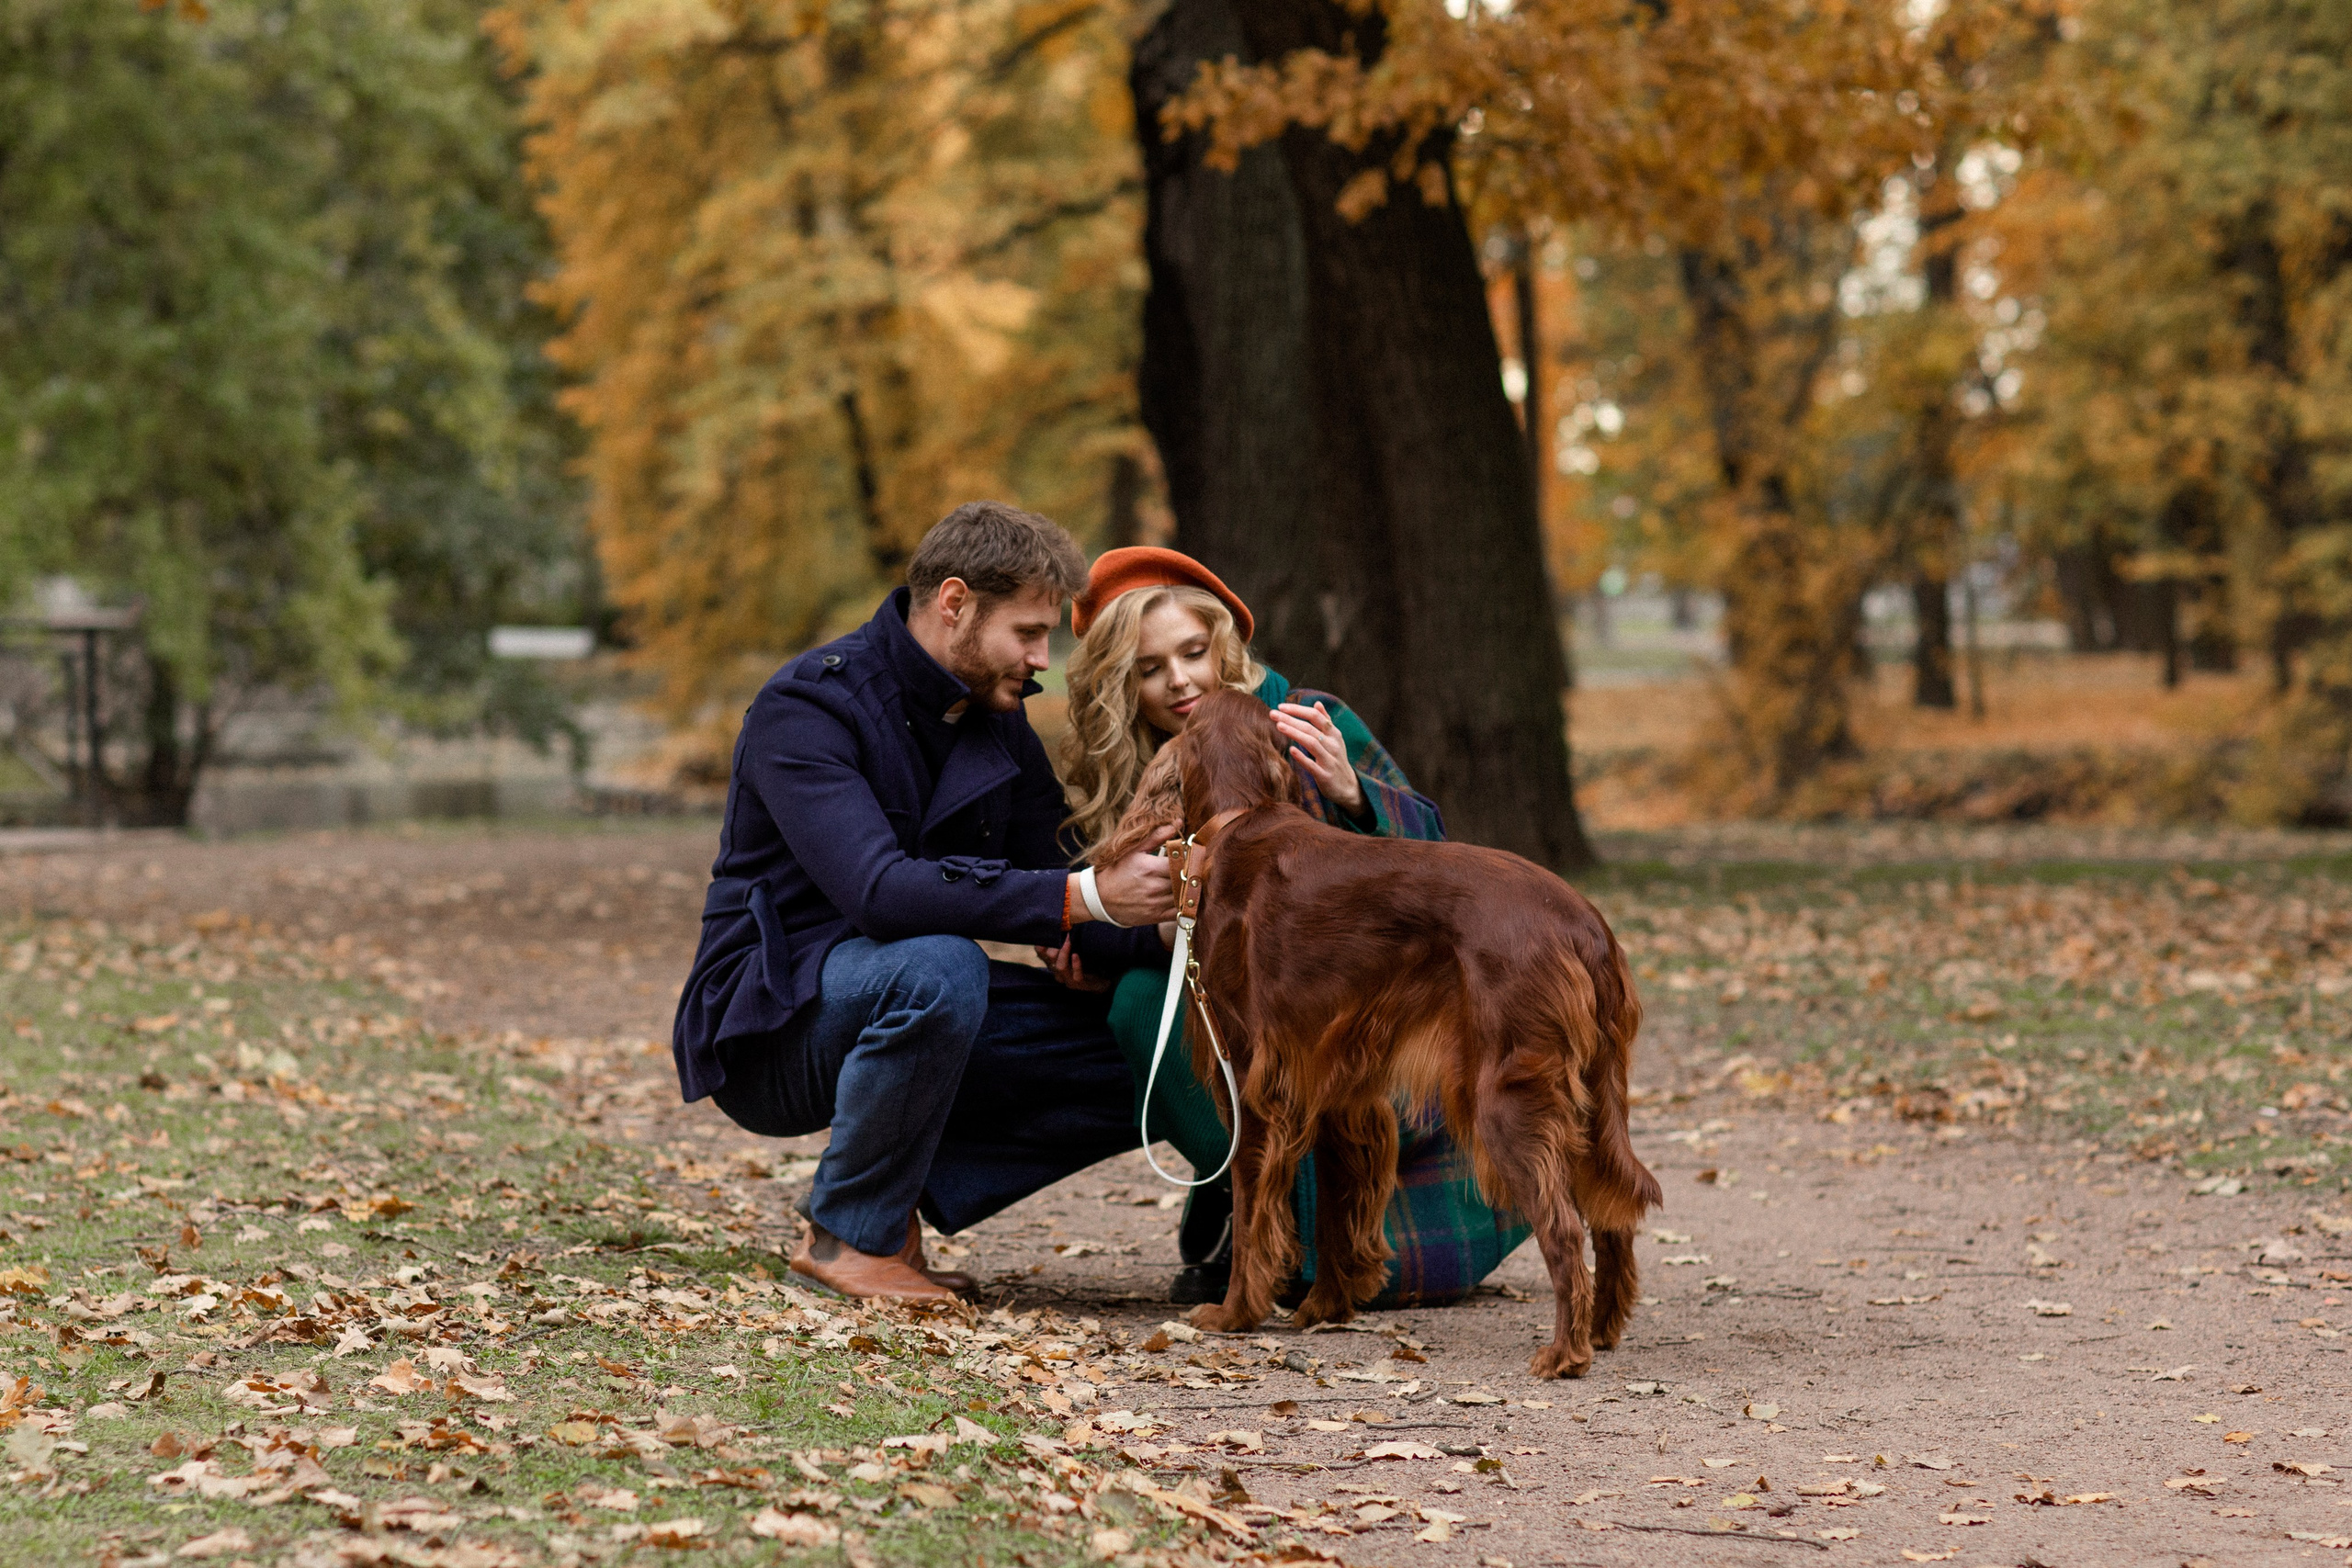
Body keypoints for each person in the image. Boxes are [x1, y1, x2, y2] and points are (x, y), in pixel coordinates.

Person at [671, 503, 1180, 1302]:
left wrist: (1168, 936)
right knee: (941, 967)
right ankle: (849, 1234)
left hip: (910, 999)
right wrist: (1080, 898)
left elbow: (1061, 869)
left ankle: (890, 1191)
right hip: (772, 1019)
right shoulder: (807, 706)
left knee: (1151, 1042)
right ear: (954, 603)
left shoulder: (995, 718)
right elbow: (880, 891)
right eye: (1027, 632)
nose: (1040, 658)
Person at [1040, 547, 1532, 1308]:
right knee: (1139, 1001)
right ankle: (1251, 1218)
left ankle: (1314, 1240)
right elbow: (1099, 907)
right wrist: (1120, 939)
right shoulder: (1128, 760)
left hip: (1359, 1004)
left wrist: (1352, 791)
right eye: (1148, 668)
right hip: (1228, 1000)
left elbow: (1437, 862)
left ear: (1223, 641)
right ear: (1117, 683)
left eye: (1194, 652)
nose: (1180, 680)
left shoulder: (1306, 717)